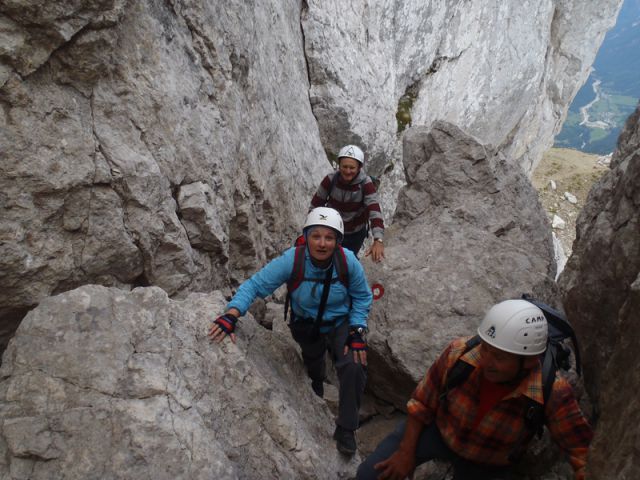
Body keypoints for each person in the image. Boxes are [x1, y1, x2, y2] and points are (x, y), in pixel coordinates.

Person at [357, 299, 593, 480]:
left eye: (499, 357)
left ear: (530, 360)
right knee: (370, 475)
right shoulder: (460, 353)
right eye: (486, 349)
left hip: (488, 462)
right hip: (440, 432)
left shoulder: (551, 390)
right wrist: (405, 452)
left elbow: (582, 451)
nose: (486, 360)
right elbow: (422, 403)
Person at [209, 207, 373, 455]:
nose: (321, 243)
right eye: (316, 236)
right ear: (306, 236)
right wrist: (232, 314)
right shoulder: (293, 259)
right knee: (313, 358)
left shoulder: (348, 261)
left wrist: (357, 331)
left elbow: (362, 297)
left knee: (354, 364)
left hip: (341, 322)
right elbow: (255, 285)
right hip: (305, 322)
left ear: (338, 241)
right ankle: (317, 380)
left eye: (329, 238)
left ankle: (347, 428)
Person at [310, 144, 385, 262]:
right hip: (332, 229)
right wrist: (311, 230)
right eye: (344, 166)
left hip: (354, 235)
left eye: (352, 168)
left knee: (345, 262)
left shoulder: (365, 184)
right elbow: (315, 206)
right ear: (339, 165)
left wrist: (378, 240)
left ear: (359, 168)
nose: (348, 171)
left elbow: (374, 211)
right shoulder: (330, 179)